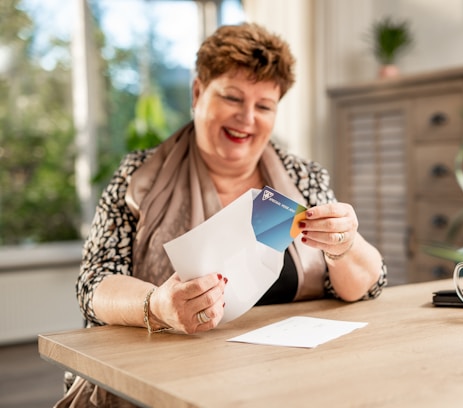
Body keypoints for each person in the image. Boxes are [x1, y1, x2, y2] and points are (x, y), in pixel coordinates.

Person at [55, 22, 387, 407]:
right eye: (232, 98)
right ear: (198, 93)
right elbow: (94, 282)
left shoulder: (301, 178)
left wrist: (343, 245)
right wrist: (159, 306)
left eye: (264, 106)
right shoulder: (140, 177)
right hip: (168, 380)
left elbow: (364, 286)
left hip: (289, 379)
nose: (247, 118)